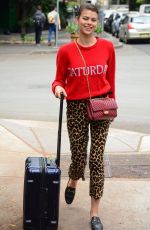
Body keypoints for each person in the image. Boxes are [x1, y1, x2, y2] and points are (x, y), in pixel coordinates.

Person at [52, 3, 116, 230]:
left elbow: (111, 79)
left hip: (101, 106)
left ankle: (94, 213)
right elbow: (58, 80)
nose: (89, 23)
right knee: (79, 155)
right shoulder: (66, 51)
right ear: (77, 20)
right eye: (85, 18)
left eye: (93, 20)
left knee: (97, 159)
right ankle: (73, 180)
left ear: (97, 23)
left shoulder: (108, 47)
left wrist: (113, 104)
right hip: (76, 107)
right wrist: (58, 89)